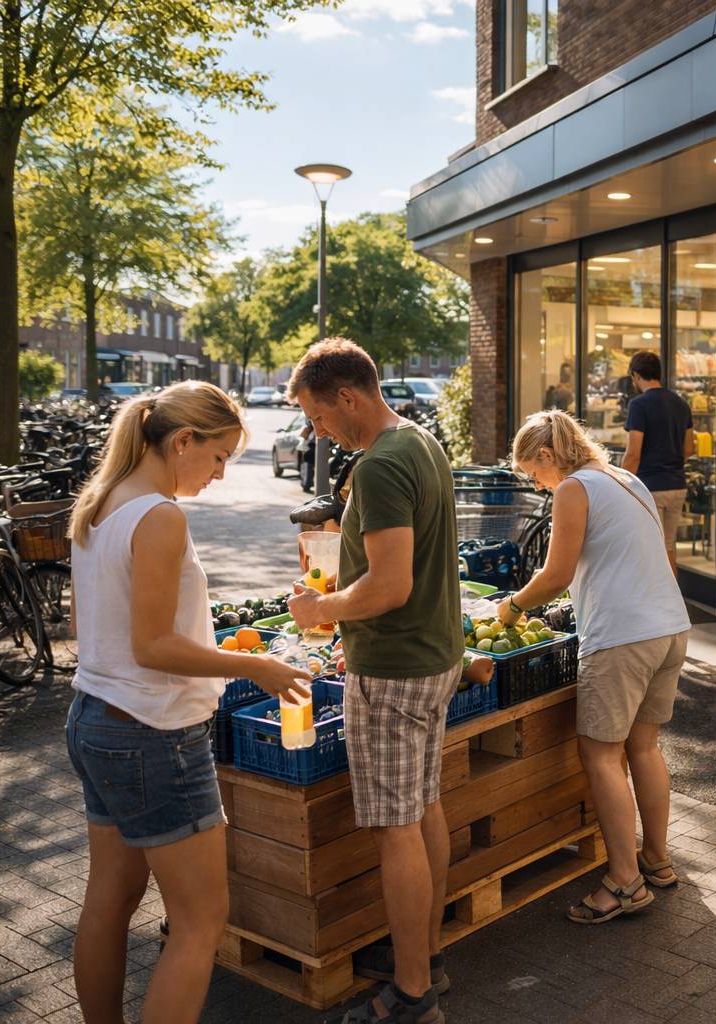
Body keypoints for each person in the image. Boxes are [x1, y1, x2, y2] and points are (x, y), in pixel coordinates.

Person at [65, 382, 312, 1024]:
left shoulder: (99, 503)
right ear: (182, 442)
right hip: (153, 731)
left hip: (95, 717)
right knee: (201, 921)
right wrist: (252, 664)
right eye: (219, 456)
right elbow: (152, 645)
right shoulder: (160, 515)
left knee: (109, 900)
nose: (221, 474)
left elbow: (104, 628)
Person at [287, 339, 461, 1024]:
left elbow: (390, 584)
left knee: (395, 829)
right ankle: (428, 955)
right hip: (436, 654)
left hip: (392, 666)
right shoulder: (418, 442)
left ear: (348, 397)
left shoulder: (384, 464)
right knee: (424, 811)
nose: (316, 430)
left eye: (318, 416)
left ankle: (412, 993)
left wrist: (321, 608)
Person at [498, 410, 692, 924]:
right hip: (670, 626)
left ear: (546, 456)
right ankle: (656, 860)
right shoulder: (626, 479)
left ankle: (624, 884)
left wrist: (513, 606)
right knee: (645, 747)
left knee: (601, 757)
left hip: (622, 637)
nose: (538, 484)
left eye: (533, 474)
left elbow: (557, 575)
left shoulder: (574, 488)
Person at [620, 350, 695, 574]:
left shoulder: (638, 405)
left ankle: (655, 603)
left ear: (635, 375)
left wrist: (620, 483)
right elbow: (689, 448)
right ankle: (673, 602)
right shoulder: (681, 403)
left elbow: (633, 453)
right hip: (677, 485)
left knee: (649, 549)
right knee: (668, 547)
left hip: (650, 487)